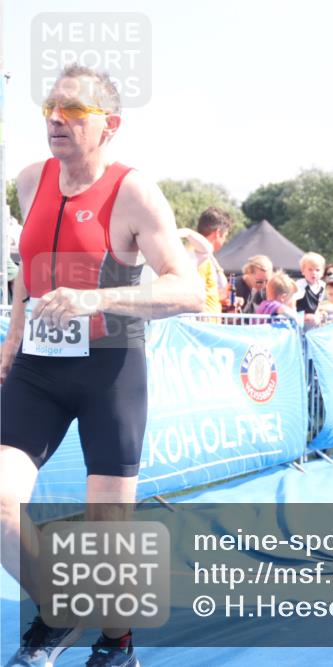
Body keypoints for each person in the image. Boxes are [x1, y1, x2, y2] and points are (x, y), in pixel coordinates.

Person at [0, 64, 203, 667]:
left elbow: (188, 291)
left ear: (109, 124)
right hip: (37, 368)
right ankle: (61, 606)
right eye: (51, 108)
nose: (57, 119)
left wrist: (100, 297)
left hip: (108, 371)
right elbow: (27, 276)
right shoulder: (30, 179)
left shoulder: (133, 191)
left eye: (75, 111)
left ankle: (116, 643)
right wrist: (12, 341)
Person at [195, 207, 234, 313]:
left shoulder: (205, 257)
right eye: (225, 235)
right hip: (202, 324)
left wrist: (221, 298)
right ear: (217, 233)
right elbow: (196, 295)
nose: (225, 240)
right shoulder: (200, 257)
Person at [294, 252, 326, 325]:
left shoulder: (322, 286)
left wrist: (320, 312)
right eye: (310, 269)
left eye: (317, 270)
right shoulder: (300, 285)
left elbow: (319, 303)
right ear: (303, 271)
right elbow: (292, 303)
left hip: (314, 321)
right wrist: (302, 316)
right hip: (300, 320)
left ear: (322, 272)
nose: (314, 273)